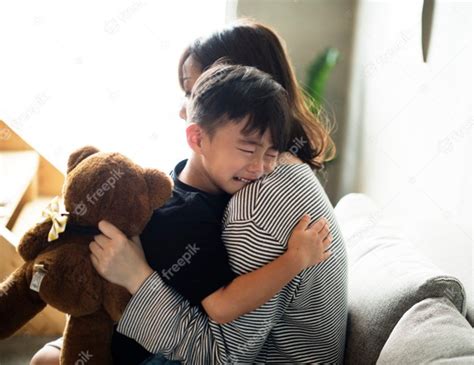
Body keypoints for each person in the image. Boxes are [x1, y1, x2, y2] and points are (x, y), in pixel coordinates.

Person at [30, 63, 332, 364]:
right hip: (143, 353)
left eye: (271, 154)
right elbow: (222, 306)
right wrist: (296, 260)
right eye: (248, 149)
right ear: (197, 139)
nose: (261, 168)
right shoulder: (186, 220)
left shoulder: (187, 184)